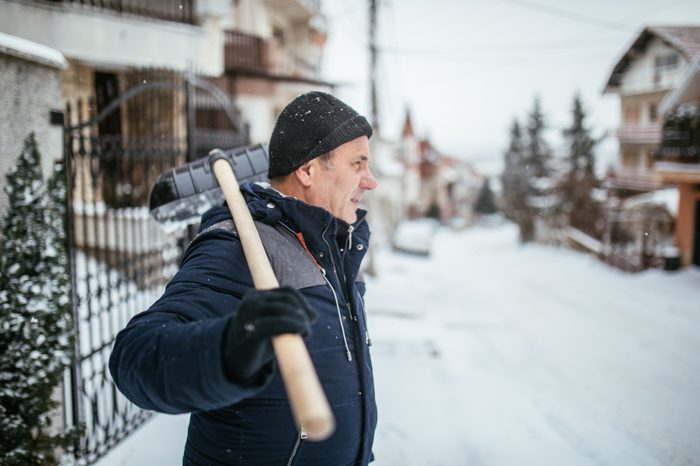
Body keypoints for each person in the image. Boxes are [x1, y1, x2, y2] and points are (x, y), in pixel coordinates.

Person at [109, 91, 379, 466]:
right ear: (308, 170)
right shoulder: (236, 248)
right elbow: (135, 357)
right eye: (358, 164)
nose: (371, 182)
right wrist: (229, 348)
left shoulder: (336, 250)